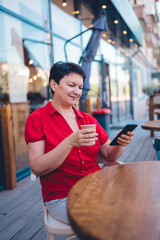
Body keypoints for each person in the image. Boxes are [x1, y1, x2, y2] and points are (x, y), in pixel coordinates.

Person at [24, 61, 134, 224]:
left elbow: (110, 155)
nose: (77, 92)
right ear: (54, 85)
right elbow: (37, 167)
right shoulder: (37, 119)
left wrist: (119, 143)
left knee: (136, 207)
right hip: (63, 196)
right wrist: (69, 142)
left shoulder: (87, 119)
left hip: (97, 186)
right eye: (71, 85)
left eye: (80, 87)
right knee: (111, 219)